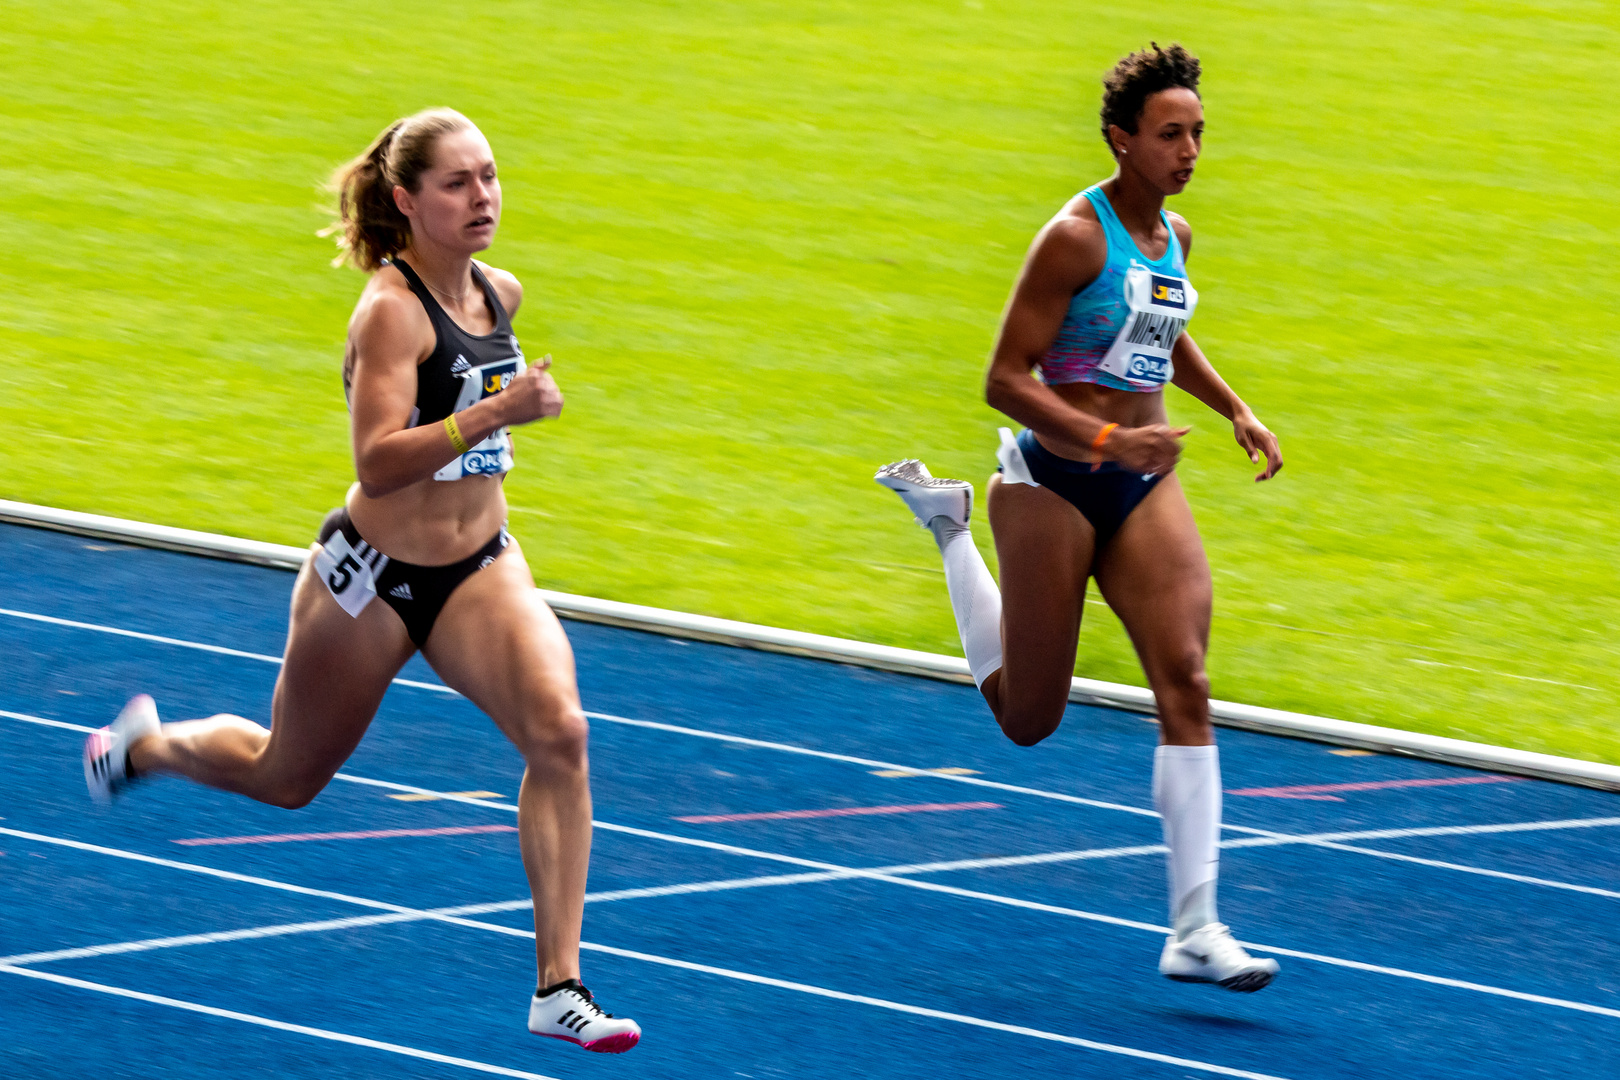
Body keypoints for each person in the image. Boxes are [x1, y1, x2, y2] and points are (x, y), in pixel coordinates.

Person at [81, 108, 641, 1051]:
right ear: (405, 200)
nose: (483, 197)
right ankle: (148, 748)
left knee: (561, 734)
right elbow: (379, 461)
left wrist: (492, 419)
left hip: (480, 570)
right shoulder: (387, 310)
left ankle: (559, 985)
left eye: (490, 177)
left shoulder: (499, 293)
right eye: (458, 183)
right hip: (370, 581)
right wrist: (501, 409)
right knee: (286, 776)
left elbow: (465, 427)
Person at [876, 45, 1283, 991]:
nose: (1188, 150)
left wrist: (1235, 409)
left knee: (1185, 675)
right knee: (1028, 718)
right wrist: (1106, 446)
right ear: (1121, 139)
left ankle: (1195, 928)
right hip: (1053, 482)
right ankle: (949, 526)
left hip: (1144, 483)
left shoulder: (1173, 238)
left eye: (1197, 134)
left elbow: (1160, 337)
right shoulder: (1072, 236)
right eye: (1170, 134)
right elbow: (1003, 381)